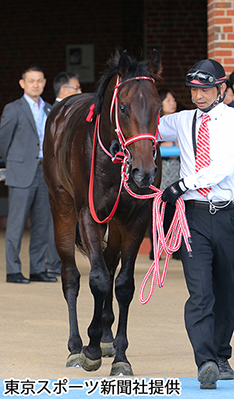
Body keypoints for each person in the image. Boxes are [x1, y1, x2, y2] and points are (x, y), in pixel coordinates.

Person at [158, 58, 234, 389]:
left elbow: (223, 167)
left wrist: (183, 185)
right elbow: (146, 128)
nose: (198, 96)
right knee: (200, 291)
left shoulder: (231, 121)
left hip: (228, 213)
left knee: (227, 291)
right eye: (194, 89)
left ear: (221, 89)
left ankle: (221, 354)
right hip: (194, 218)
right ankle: (205, 361)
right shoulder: (181, 120)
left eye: (205, 89)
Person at [0, 66, 57, 284]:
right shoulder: (13, 108)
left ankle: (37, 268)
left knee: (42, 223)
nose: (35, 84)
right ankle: (13, 270)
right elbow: (4, 140)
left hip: (44, 172)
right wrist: (14, 162)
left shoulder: (50, 109)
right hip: (21, 171)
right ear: (22, 83)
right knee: (16, 224)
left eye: (39, 81)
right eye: (30, 81)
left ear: (44, 83)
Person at [45, 72, 82, 278]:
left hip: (64, 174)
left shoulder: (75, 113)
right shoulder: (52, 111)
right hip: (46, 171)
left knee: (55, 219)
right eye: (76, 88)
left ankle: (54, 263)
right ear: (64, 90)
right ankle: (48, 263)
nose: (80, 92)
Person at [148, 88, 181, 260]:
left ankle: (176, 249)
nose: (172, 103)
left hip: (177, 176)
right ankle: (156, 249)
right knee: (158, 214)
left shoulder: (180, 122)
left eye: (174, 100)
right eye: (168, 100)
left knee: (175, 213)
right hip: (160, 178)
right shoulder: (154, 123)